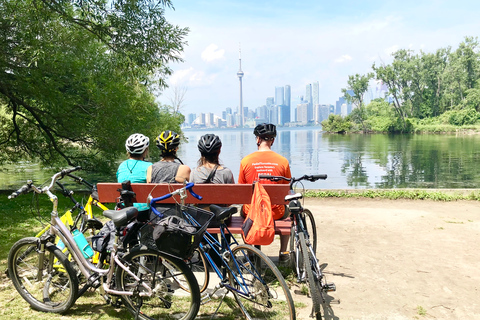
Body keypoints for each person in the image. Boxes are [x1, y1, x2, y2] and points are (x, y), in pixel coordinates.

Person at [238, 123, 292, 262]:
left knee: (245, 210)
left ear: (257, 139)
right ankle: (283, 252)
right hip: (276, 213)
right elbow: (287, 189)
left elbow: (241, 189)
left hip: (253, 213)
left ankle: (251, 253)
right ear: (272, 140)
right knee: (289, 212)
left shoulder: (246, 161)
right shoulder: (283, 161)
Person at [146, 130, 191, 217]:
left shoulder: (151, 168)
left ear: (160, 148)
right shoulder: (183, 169)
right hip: (178, 215)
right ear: (176, 148)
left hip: (155, 215)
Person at [116, 133, 152, 213]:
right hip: (144, 211)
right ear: (145, 151)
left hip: (123, 209)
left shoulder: (122, 165)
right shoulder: (150, 166)